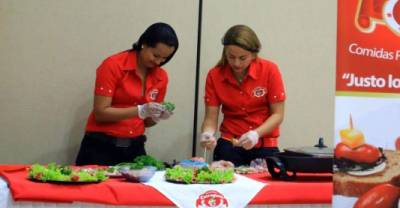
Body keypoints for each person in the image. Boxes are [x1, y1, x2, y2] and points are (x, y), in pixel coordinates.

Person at [75, 22, 179, 166]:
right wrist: (140, 110)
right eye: (155, 55)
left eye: (164, 59)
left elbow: (147, 122)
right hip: (101, 147)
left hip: (135, 148)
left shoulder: (161, 76)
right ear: (144, 44)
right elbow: (100, 112)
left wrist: (157, 116)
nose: (158, 62)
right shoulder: (114, 65)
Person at [200, 25, 286, 166]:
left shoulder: (270, 70)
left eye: (242, 58)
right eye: (231, 57)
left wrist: (256, 134)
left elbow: (278, 115)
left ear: (253, 54)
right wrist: (207, 134)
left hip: (264, 146)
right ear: (225, 53)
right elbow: (210, 118)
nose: (236, 63)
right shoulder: (215, 75)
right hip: (229, 146)